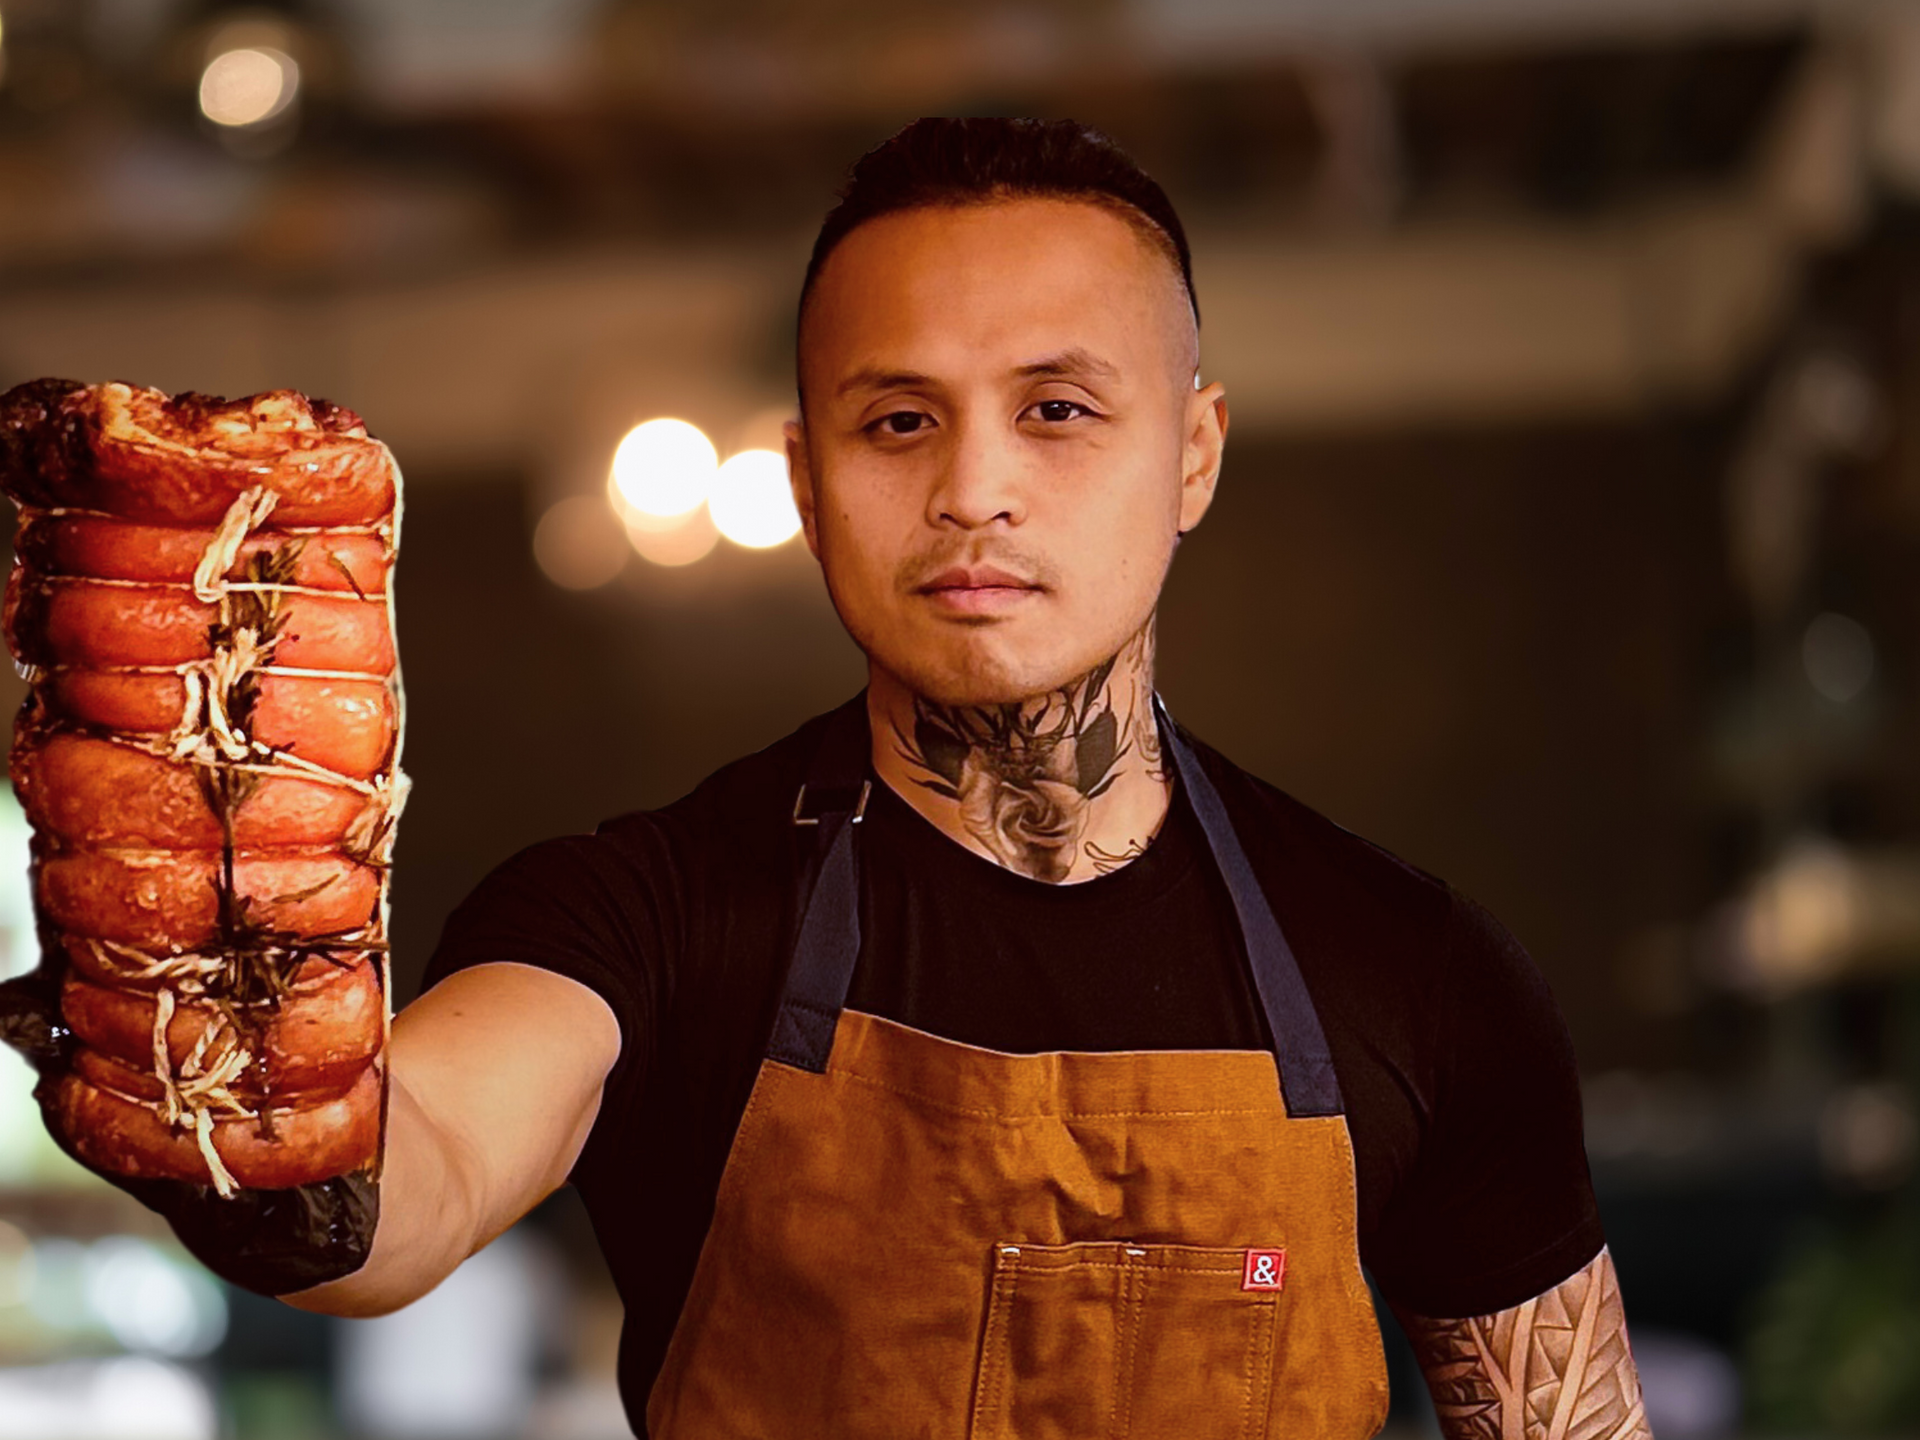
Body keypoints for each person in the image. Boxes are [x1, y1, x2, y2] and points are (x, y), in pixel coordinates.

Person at [289, 118, 1651, 1439]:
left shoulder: (1418, 977)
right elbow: (407, 1192)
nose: (973, 488)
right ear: (808, 483)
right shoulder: (639, 922)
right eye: (895, 422)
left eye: (1057, 409)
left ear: (1192, 453)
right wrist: (217, 1063)